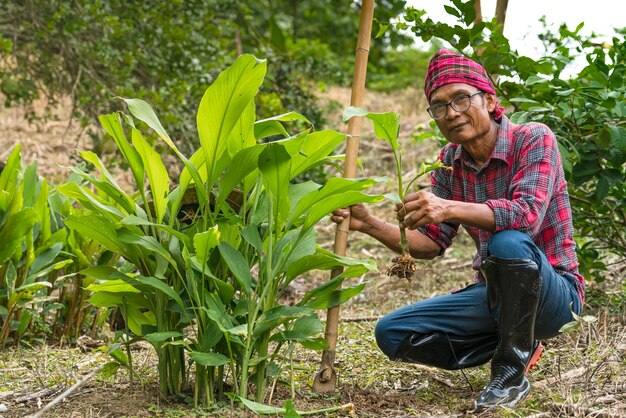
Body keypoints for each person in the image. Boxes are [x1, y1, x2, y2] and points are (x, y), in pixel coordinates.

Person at [331, 49, 585, 409]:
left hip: (556, 295)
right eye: (439, 106)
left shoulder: (532, 138)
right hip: (496, 296)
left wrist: (448, 206)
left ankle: (510, 375)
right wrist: (369, 224)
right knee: (392, 334)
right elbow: (431, 243)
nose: (451, 112)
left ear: (490, 99)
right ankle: (516, 338)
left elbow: (526, 215)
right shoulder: (450, 162)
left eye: (462, 98)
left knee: (508, 242)